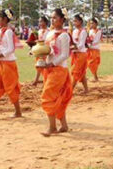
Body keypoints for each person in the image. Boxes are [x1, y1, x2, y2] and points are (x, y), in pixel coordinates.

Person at [40, 8, 74, 136]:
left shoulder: (64, 35)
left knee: (48, 96)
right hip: (49, 69)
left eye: (55, 17)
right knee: (57, 96)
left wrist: (52, 63)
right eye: (52, 17)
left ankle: (52, 127)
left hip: (59, 69)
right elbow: (46, 49)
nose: (52, 20)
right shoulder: (49, 34)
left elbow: (65, 54)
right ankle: (64, 125)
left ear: (62, 19)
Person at [70, 13, 89, 94]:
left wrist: (72, 48)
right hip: (75, 54)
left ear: (80, 22)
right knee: (81, 72)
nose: (74, 23)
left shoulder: (83, 31)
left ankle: (70, 90)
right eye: (73, 21)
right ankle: (86, 89)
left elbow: (81, 45)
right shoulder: (74, 31)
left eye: (75, 21)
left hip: (81, 54)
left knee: (76, 72)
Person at [87, 16, 102, 82]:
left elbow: (96, 40)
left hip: (95, 49)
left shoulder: (98, 31)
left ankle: (95, 77)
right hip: (89, 49)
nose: (91, 25)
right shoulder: (89, 31)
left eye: (92, 23)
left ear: (96, 24)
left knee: (93, 64)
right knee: (87, 63)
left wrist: (90, 44)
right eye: (90, 23)